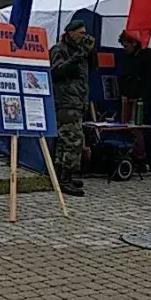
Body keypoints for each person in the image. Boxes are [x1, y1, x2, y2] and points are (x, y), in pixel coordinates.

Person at [50, 19, 97, 197]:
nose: (83, 36)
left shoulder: (80, 52)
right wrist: (77, 57)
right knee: (73, 140)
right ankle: (66, 178)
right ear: (71, 33)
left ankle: (63, 174)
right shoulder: (59, 50)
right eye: (81, 33)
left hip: (77, 101)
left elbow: (91, 71)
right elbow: (56, 71)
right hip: (65, 102)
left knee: (66, 141)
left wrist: (89, 53)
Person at [118, 30, 151, 174]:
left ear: (134, 43)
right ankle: (129, 155)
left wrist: (140, 96)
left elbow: (147, 80)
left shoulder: (145, 57)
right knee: (125, 127)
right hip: (126, 96)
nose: (125, 49)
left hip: (138, 97)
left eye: (126, 45)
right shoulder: (127, 57)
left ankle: (140, 158)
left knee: (136, 129)